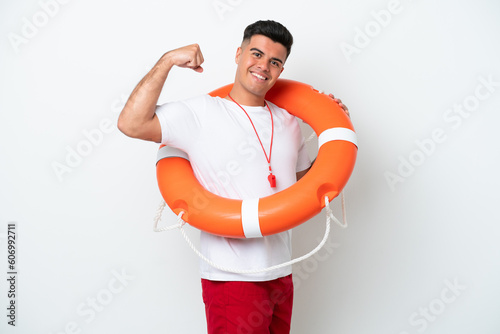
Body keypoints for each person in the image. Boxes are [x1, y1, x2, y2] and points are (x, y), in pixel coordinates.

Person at [118, 20, 348, 334]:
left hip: (280, 274)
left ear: (281, 70)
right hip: (232, 278)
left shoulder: (289, 122)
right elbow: (131, 123)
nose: (263, 66)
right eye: (256, 54)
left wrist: (338, 132)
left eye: (275, 61)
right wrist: (168, 60)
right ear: (238, 54)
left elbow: (305, 184)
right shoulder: (201, 114)